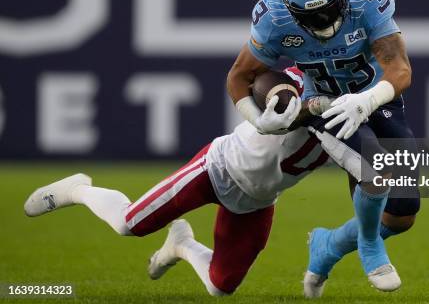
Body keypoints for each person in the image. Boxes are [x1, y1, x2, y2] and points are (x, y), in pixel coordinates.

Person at [23, 68, 336, 297]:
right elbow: (271, 87)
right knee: (128, 223)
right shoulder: (306, 79)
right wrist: (312, 106)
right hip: (218, 168)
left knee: (220, 286)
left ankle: (182, 245)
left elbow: (369, 164)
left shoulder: (362, 119)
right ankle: (78, 189)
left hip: (258, 199)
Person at [225, 0, 419, 297]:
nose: (321, 21)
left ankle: (327, 245)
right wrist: (258, 120)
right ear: (291, 7)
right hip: (323, 104)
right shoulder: (274, 16)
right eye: (309, 15)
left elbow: (400, 70)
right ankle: (371, 248)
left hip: (374, 96)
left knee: (404, 211)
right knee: (374, 169)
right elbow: (239, 78)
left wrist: (365, 101)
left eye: (328, 9)